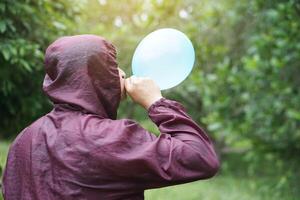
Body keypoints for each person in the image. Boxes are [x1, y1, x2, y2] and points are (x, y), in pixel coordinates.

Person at [2, 34, 220, 200]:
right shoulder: (108, 138)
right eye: (112, 66)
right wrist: (156, 102)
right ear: (95, 76)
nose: (122, 73)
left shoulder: (22, 142)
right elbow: (199, 157)